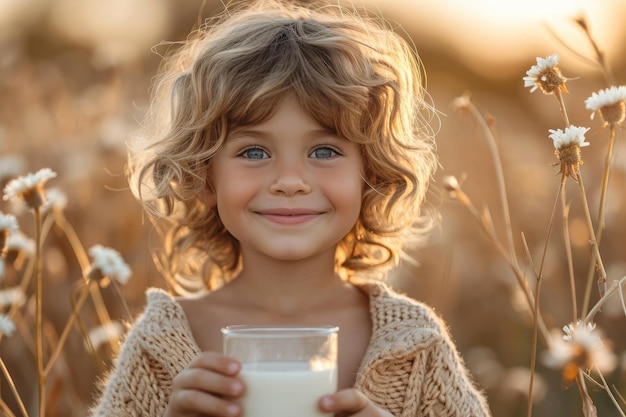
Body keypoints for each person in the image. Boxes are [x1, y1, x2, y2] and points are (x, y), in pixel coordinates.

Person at [91, 0, 491, 416]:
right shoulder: (161, 347)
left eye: (323, 150)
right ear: (204, 177)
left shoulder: (414, 344)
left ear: (369, 174)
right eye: (254, 151)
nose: (289, 181)